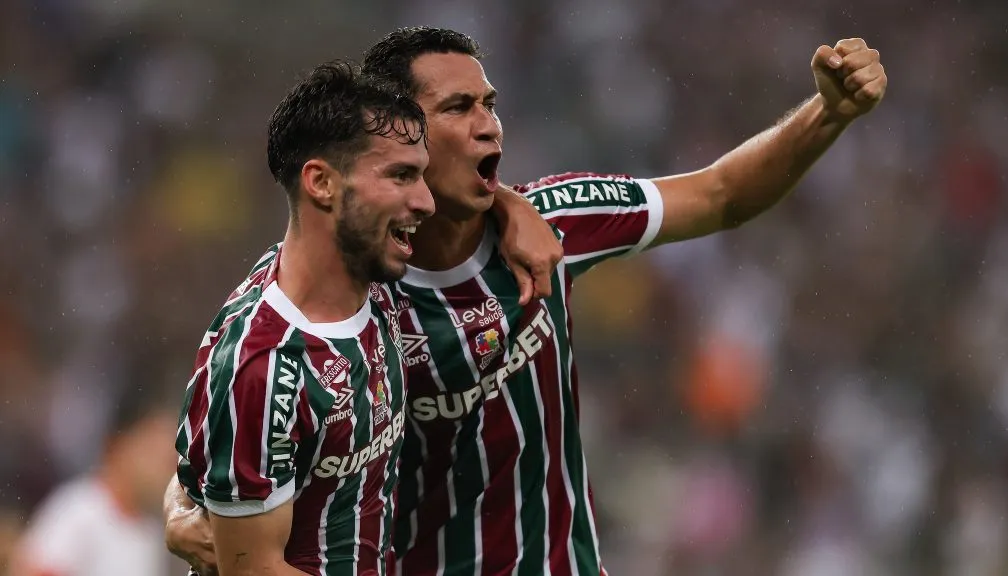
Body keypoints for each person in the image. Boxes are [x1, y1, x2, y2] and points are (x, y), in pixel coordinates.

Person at [167, 27, 887, 576]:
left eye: (490, 105)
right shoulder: (355, 292)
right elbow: (237, 433)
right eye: (459, 107)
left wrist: (827, 115)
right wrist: (181, 516)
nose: (489, 124)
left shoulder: (555, 223)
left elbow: (721, 193)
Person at [173, 61, 434, 576]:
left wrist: (516, 212)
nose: (426, 201)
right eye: (401, 175)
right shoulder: (265, 366)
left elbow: (203, 451)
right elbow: (252, 571)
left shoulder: (372, 276)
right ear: (321, 183)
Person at [10, 390, 178, 576]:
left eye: (169, 459)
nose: (163, 469)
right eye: (153, 452)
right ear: (118, 446)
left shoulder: (151, 536)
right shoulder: (79, 510)